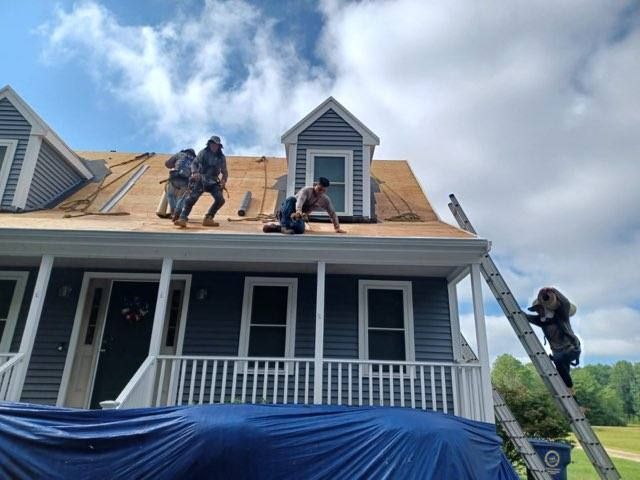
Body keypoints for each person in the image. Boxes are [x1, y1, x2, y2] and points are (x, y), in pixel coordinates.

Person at [525, 287, 581, 392]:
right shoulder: (542, 321)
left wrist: (553, 291)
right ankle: (573, 396)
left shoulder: (560, 317)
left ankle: (569, 387)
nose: (538, 312)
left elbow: (566, 304)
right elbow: (525, 317)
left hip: (571, 349)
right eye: (536, 310)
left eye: (539, 309)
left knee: (559, 359)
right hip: (558, 353)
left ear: (545, 307)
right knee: (563, 375)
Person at [175, 136, 228, 228]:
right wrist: (195, 172)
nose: (214, 146)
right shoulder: (203, 153)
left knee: (220, 200)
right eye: (213, 144)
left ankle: (209, 218)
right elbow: (194, 163)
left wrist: (223, 181)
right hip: (201, 179)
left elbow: (225, 172)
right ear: (209, 144)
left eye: (216, 145)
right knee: (191, 199)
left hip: (213, 181)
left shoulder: (221, 157)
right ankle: (182, 218)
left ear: (219, 146)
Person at [263, 177, 346, 234]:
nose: (320, 192)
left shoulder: (325, 199)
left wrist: (337, 227)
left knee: (300, 230)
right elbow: (300, 201)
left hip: (296, 218)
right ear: (315, 185)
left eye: (323, 191)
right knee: (291, 199)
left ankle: (277, 228)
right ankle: (284, 226)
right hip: (287, 212)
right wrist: (298, 211)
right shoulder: (307, 190)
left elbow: (332, 213)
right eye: (319, 189)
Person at [163, 148, 195, 220]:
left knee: (171, 195)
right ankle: (178, 213)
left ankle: (173, 211)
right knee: (182, 197)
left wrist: (174, 165)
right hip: (185, 180)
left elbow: (167, 164)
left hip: (174, 177)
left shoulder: (179, 154)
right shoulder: (195, 160)